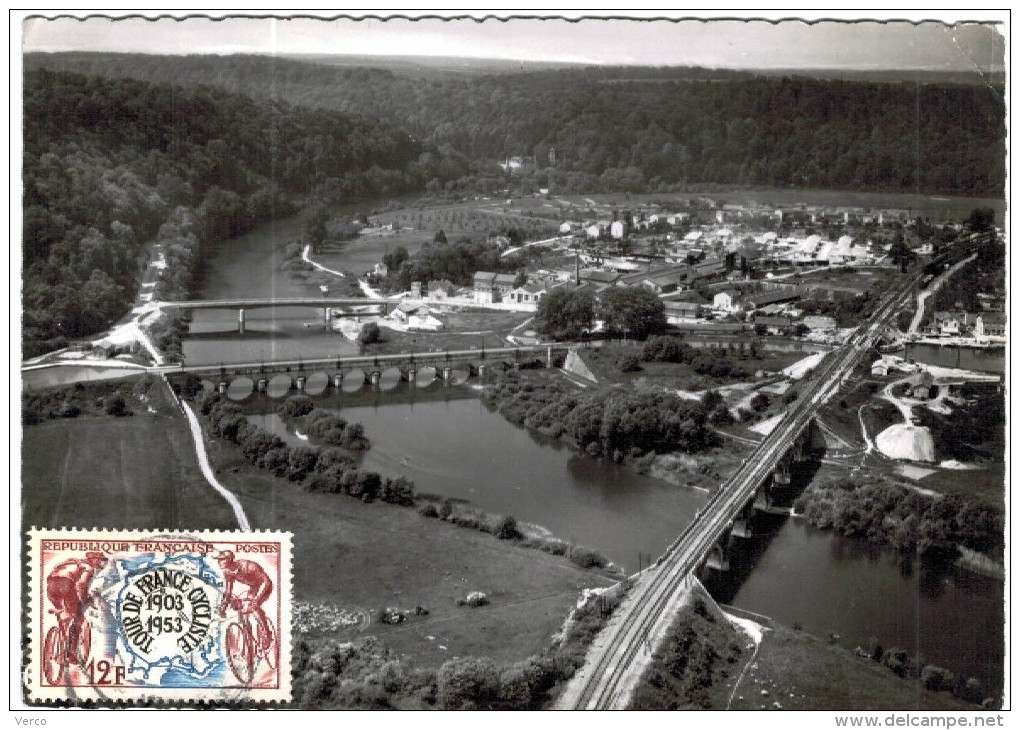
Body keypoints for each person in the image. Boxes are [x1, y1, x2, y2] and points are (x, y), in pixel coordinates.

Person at [45, 551, 107, 659]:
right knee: (78, 616)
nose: (100, 563)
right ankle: (72, 652)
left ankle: (61, 633)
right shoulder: (88, 567)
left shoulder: (72, 562)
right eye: (99, 560)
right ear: (93, 559)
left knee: (62, 611)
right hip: (65, 584)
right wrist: (85, 600)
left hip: (51, 585)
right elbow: (82, 584)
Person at [215, 551, 274, 657]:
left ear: (229, 560)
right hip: (254, 588)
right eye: (218, 559)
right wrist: (223, 608)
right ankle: (248, 640)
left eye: (221, 559)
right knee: (243, 609)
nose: (219, 562)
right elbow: (228, 592)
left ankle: (267, 635)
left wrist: (256, 599)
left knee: (253, 607)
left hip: (265, 587)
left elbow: (266, 582)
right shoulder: (228, 572)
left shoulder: (247, 566)